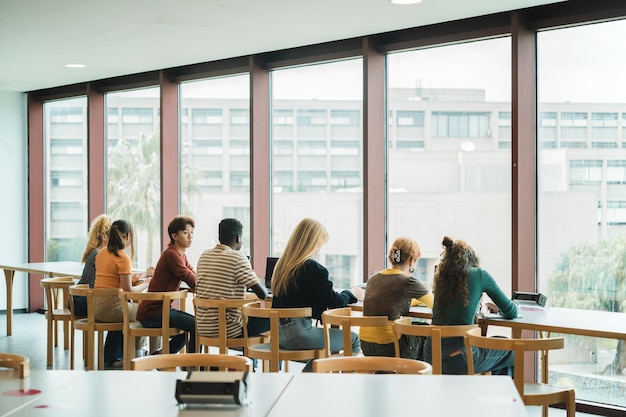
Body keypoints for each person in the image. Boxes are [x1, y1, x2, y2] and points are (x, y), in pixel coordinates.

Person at [270, 218, 360, 371]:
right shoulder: (312, 268)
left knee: (323, 341)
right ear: (311, 243)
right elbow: (336, 303)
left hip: (278, 334)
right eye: (320, 244)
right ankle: (314, 379)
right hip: (299, 335)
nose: (320, 249)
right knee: (353, 340)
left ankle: (305, 378)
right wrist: (352, 292)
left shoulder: (282, 267)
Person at [426, 236, 518, 375]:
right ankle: (499, 395)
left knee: (498, 342)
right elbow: (512, 312)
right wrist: (499, 310)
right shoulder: (479, 275)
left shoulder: (441, 278)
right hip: (459, 356)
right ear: (473, 261)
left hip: (430, 355)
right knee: (509, 349)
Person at [195, 218, 269, 343]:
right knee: (275, 319)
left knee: (249, 317)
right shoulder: (237, 257)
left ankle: (250, 362)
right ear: (238, 238)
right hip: (229, 329)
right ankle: (250, 361)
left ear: (220, 237)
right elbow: (263, 295)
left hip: (203, 327)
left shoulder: (204, 255)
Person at [359, 237, 434, 359]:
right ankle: (418, 376)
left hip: (366, 345)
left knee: (416, 327)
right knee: (428, 337)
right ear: (411, 261)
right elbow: (435, 304)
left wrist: (413, 302)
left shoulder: (373, 277)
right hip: (391, 347)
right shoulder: (408, 281)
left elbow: (393, 300)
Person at [94, 219, 153, 368]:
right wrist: (146, 283)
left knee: (132, 310)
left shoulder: (101, 253)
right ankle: (139, 356)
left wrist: (133, 278)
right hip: (113, 310)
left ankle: (116, 356)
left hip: (96, 308)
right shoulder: (123, 258)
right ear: (128, 236)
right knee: (145, 312)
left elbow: (111, 280)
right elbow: (128, 292)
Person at [136, 216, 197, 355]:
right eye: (186, 232)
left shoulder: (181, 255)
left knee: (195, 326)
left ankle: (163, 355)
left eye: (192, 232)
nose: (190, 236)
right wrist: (207, 287)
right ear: (174, 236)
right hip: (153, 315)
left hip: (159, 312)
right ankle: (191, 363)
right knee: (198, 326)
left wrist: (202, 284)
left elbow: (192, 274)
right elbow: (188, 277)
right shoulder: (171, 255)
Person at [73, 214, 113, 317]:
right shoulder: (98, 254)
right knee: (118, 308)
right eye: (113, 235)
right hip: (84, 300)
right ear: (104, 236)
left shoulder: (96, 252)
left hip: (81, 298)